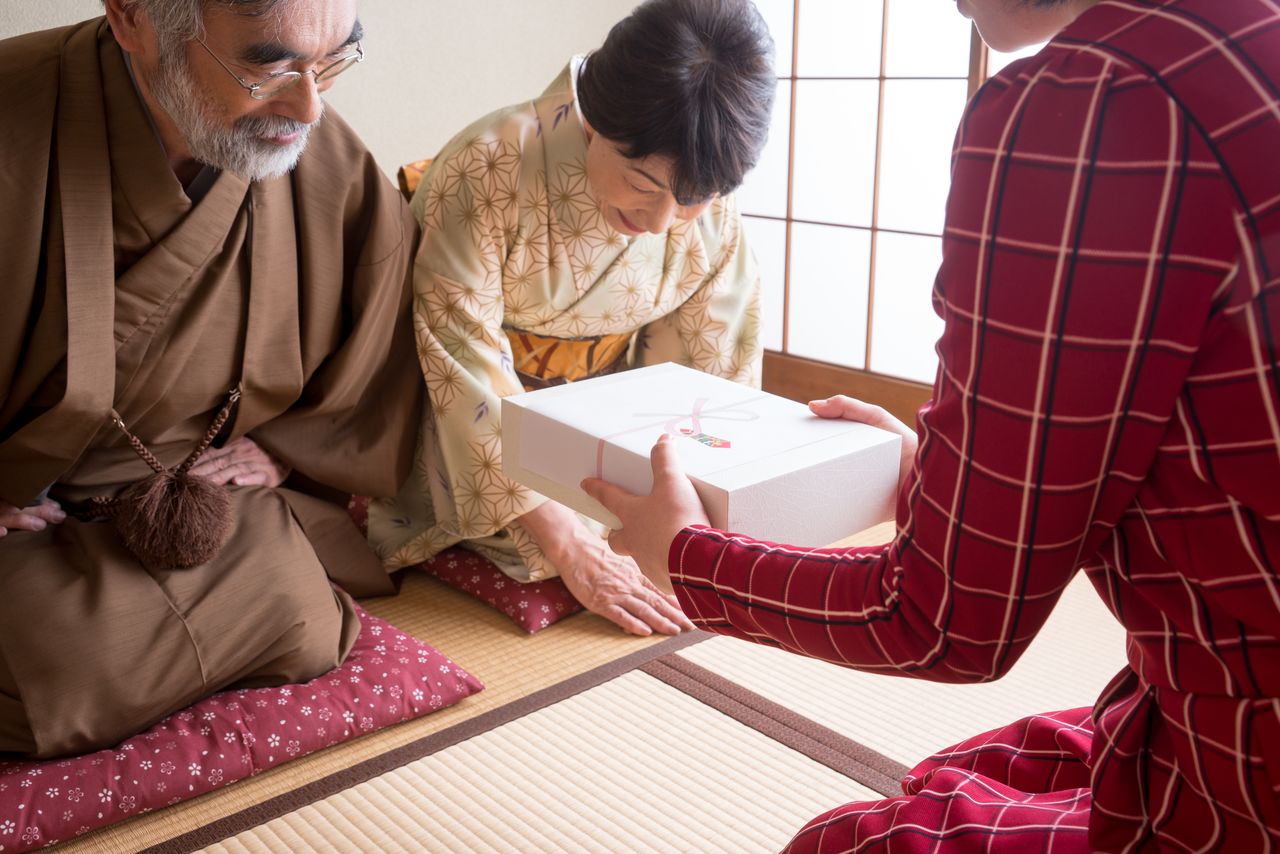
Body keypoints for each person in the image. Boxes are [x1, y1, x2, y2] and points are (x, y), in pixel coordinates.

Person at [584, 0, 1280, 848]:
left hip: (1245, 763)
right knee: (975, 768)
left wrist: (687, 558)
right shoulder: (1247, 40)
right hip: (1219, 668)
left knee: (852, 838)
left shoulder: (1092, 106)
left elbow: (945, 623)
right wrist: (951, 475)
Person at [0, 0, 421, 758]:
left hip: (204, 498)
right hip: (25, 515)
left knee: (304, 618)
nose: (309, 105)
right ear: (132, 18)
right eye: (269, 64)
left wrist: (287, 448)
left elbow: (375, 332)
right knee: (50, 678)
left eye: (331, 60)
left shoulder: (318, 158)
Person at [368, 0, 774, 637]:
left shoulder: (712, 217)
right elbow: (460, 366)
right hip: (473, 412)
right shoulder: (487, 168)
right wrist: (571, 545)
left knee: (679, 533)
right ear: (595, 122)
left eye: (694, 197)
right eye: (642, 180)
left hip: (612, 422)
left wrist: (693, 512)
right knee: (552, 546)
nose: (662, 220)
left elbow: (715, 373)